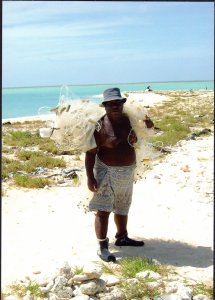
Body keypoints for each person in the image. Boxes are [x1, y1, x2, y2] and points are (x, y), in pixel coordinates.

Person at [85, 87, 154, 262]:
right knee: (103, 209)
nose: (115, 106)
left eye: (118, 102)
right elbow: (90, 153)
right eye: (110, 104)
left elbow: (145, 133)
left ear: (123, 104)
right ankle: (102, 246)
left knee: (123, 205)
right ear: (105, 106)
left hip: (127, 171)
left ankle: (122, 237)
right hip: (105, 171)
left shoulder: (131, 120)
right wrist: (90, 177)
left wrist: (148, 126)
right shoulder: (98, 125)